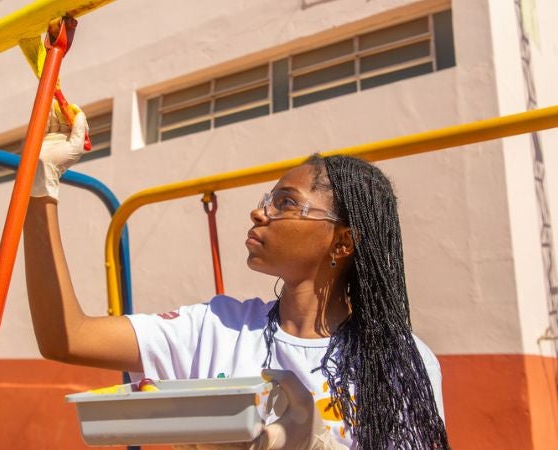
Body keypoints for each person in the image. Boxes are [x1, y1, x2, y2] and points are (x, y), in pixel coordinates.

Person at [23, 105, 450, 449]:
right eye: (269, 198)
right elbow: (67, 336)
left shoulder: (400, 359)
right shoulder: (217, 327)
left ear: (342, 243)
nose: (259, 211)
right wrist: (40, 188)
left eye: (286, 202)